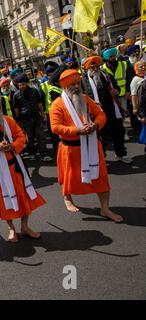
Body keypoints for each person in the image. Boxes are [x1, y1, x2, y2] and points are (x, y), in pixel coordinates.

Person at [50, 69, 123, 222]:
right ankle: (67, 198)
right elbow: (55, 127)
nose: (77, 86)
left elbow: (101, 115)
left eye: (78, 83)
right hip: (70, 148)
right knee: (68, 178)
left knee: (101, 177)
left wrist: (95, 125)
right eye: (72, 84)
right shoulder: (57, 104)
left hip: (92, 145)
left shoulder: (85, 98)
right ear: (64, 86)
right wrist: (77, 130)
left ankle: (105, 209)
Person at [0, 92, 45, 242]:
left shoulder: (8, 120)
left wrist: (13, 146)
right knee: (3, 199)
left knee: (22, 195)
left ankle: (25, 226)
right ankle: (11, 228)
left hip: (15, 166)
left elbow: (21, 136)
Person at [83, 56, 132, 164]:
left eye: (97, 66)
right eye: (93, 66)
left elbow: (117, 88)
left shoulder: (107, 76)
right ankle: (101, 158)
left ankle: (121, 154)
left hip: (112, 110)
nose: (95, 68)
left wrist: (116, 91)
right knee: (100, 137)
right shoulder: (83, 81)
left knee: (118, 133)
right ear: (87, 68)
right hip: (96, 113)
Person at [12, 73, 52, 162]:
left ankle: (43, 154)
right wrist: (18, 120)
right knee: (29, 138)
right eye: (19, 85)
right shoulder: (16, 95)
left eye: (23, 84)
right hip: (24, 119)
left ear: (27, 83)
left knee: (40, 136)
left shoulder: (34, 91)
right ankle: (32, 153)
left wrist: (42, 114)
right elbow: (16, 109)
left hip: (36, 117)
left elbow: (39, 104)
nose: (21, 86)